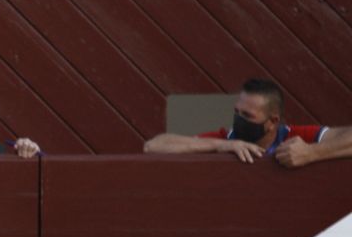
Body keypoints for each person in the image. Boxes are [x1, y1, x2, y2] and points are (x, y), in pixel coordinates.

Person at [143, 77, 352, 168]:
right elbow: (154, 146)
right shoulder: (227, 139)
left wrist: (312, 153)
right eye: (237, 112)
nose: (239, 120)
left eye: (248, 115)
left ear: (273, 122)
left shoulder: (296, 136)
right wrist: (223, 146)